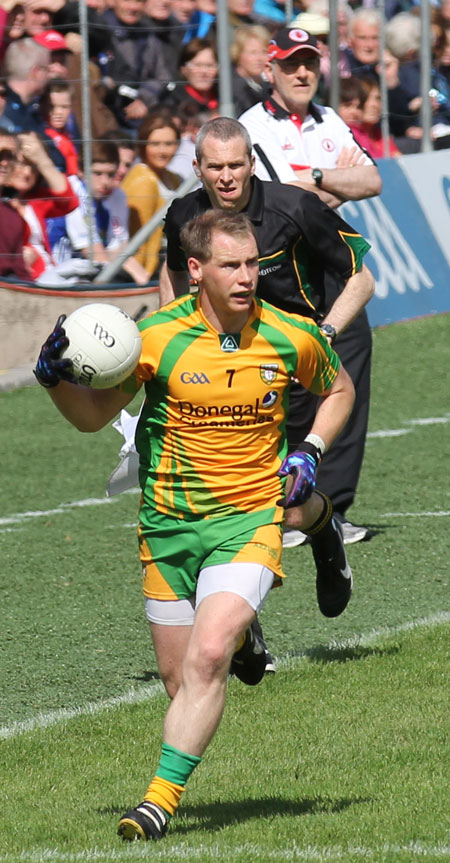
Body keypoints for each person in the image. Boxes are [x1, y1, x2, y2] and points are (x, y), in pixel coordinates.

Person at [33, 208, 356, 842]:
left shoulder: (292, 334)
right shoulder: (154, 338)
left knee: (208, 659)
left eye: (253, 264)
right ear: (196, 271)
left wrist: (309, 449)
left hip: (249, 518)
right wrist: (51, 377)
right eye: (231, 265)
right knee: (182, 681)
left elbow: (338, 389)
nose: (247, 277)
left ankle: (158, 801)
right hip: (168, 528)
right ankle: (246, 633)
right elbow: (92, 418)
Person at [238, 29, 381, 546]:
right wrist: (330, 180)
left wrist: (318, 174)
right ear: (270, 69)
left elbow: (372, 180)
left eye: (310, 64)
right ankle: (282, 502)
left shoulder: (328, 119)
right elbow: (287, 197)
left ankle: (333, 509)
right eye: (291, 64)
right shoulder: (251, 127)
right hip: (283, 265)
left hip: (332, 257)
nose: (302, 73)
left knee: (351, 368)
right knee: (293, 380)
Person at [46, 139, 150, 284]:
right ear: (81, 171)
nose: (105, 182)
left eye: (110, 174)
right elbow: (94, 253)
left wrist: (143, 280)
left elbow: (119, 249)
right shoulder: (74, 191)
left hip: (88, 271)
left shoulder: (115, 196)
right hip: (57, 274)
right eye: (97, 173)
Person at [6, 130, 79, 283]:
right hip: (24, 282)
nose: (26, 173)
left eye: (32, 167)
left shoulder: (34, 200)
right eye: (20, 164)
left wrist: (42, 160)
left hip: (50, 276)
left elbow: (69, 202)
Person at [121, 112, 182, 279]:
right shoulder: (142, 180)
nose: (162, 151)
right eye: (155, 144)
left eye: (169, 144)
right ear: (143, 145)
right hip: (150, 269)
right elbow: (139, 235)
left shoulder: (173, 177)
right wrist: (143, 275)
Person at [0, 130, 31, 280]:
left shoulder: (13, 215)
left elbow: (20, 271)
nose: (5, 163)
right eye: (0, 155)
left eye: (10, 157)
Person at [159, 37, 219, 112]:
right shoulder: (171, 102)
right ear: (183, 69)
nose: (204, 71)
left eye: (209, 65)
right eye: (197, 65)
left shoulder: (227, 99)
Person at [230, 23, 271, 116]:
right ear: (238, 53)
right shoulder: (233, 90)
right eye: (253, 53)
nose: (259, 58)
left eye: (264, 52)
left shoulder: (266, 87)